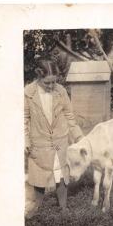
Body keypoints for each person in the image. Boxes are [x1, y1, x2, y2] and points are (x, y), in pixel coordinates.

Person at [24, 57, 83, 210]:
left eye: (53, 82)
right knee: (39, 174)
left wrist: (78, 136)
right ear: (39, 77)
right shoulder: (28, 93)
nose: (51, 86)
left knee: (61, 173)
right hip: (39, 140)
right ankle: (37, 207)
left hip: (59, 139)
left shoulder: (61, 91)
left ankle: (63, 207)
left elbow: (69, 115)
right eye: (47, 83)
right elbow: (24, 119)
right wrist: (26, 140)